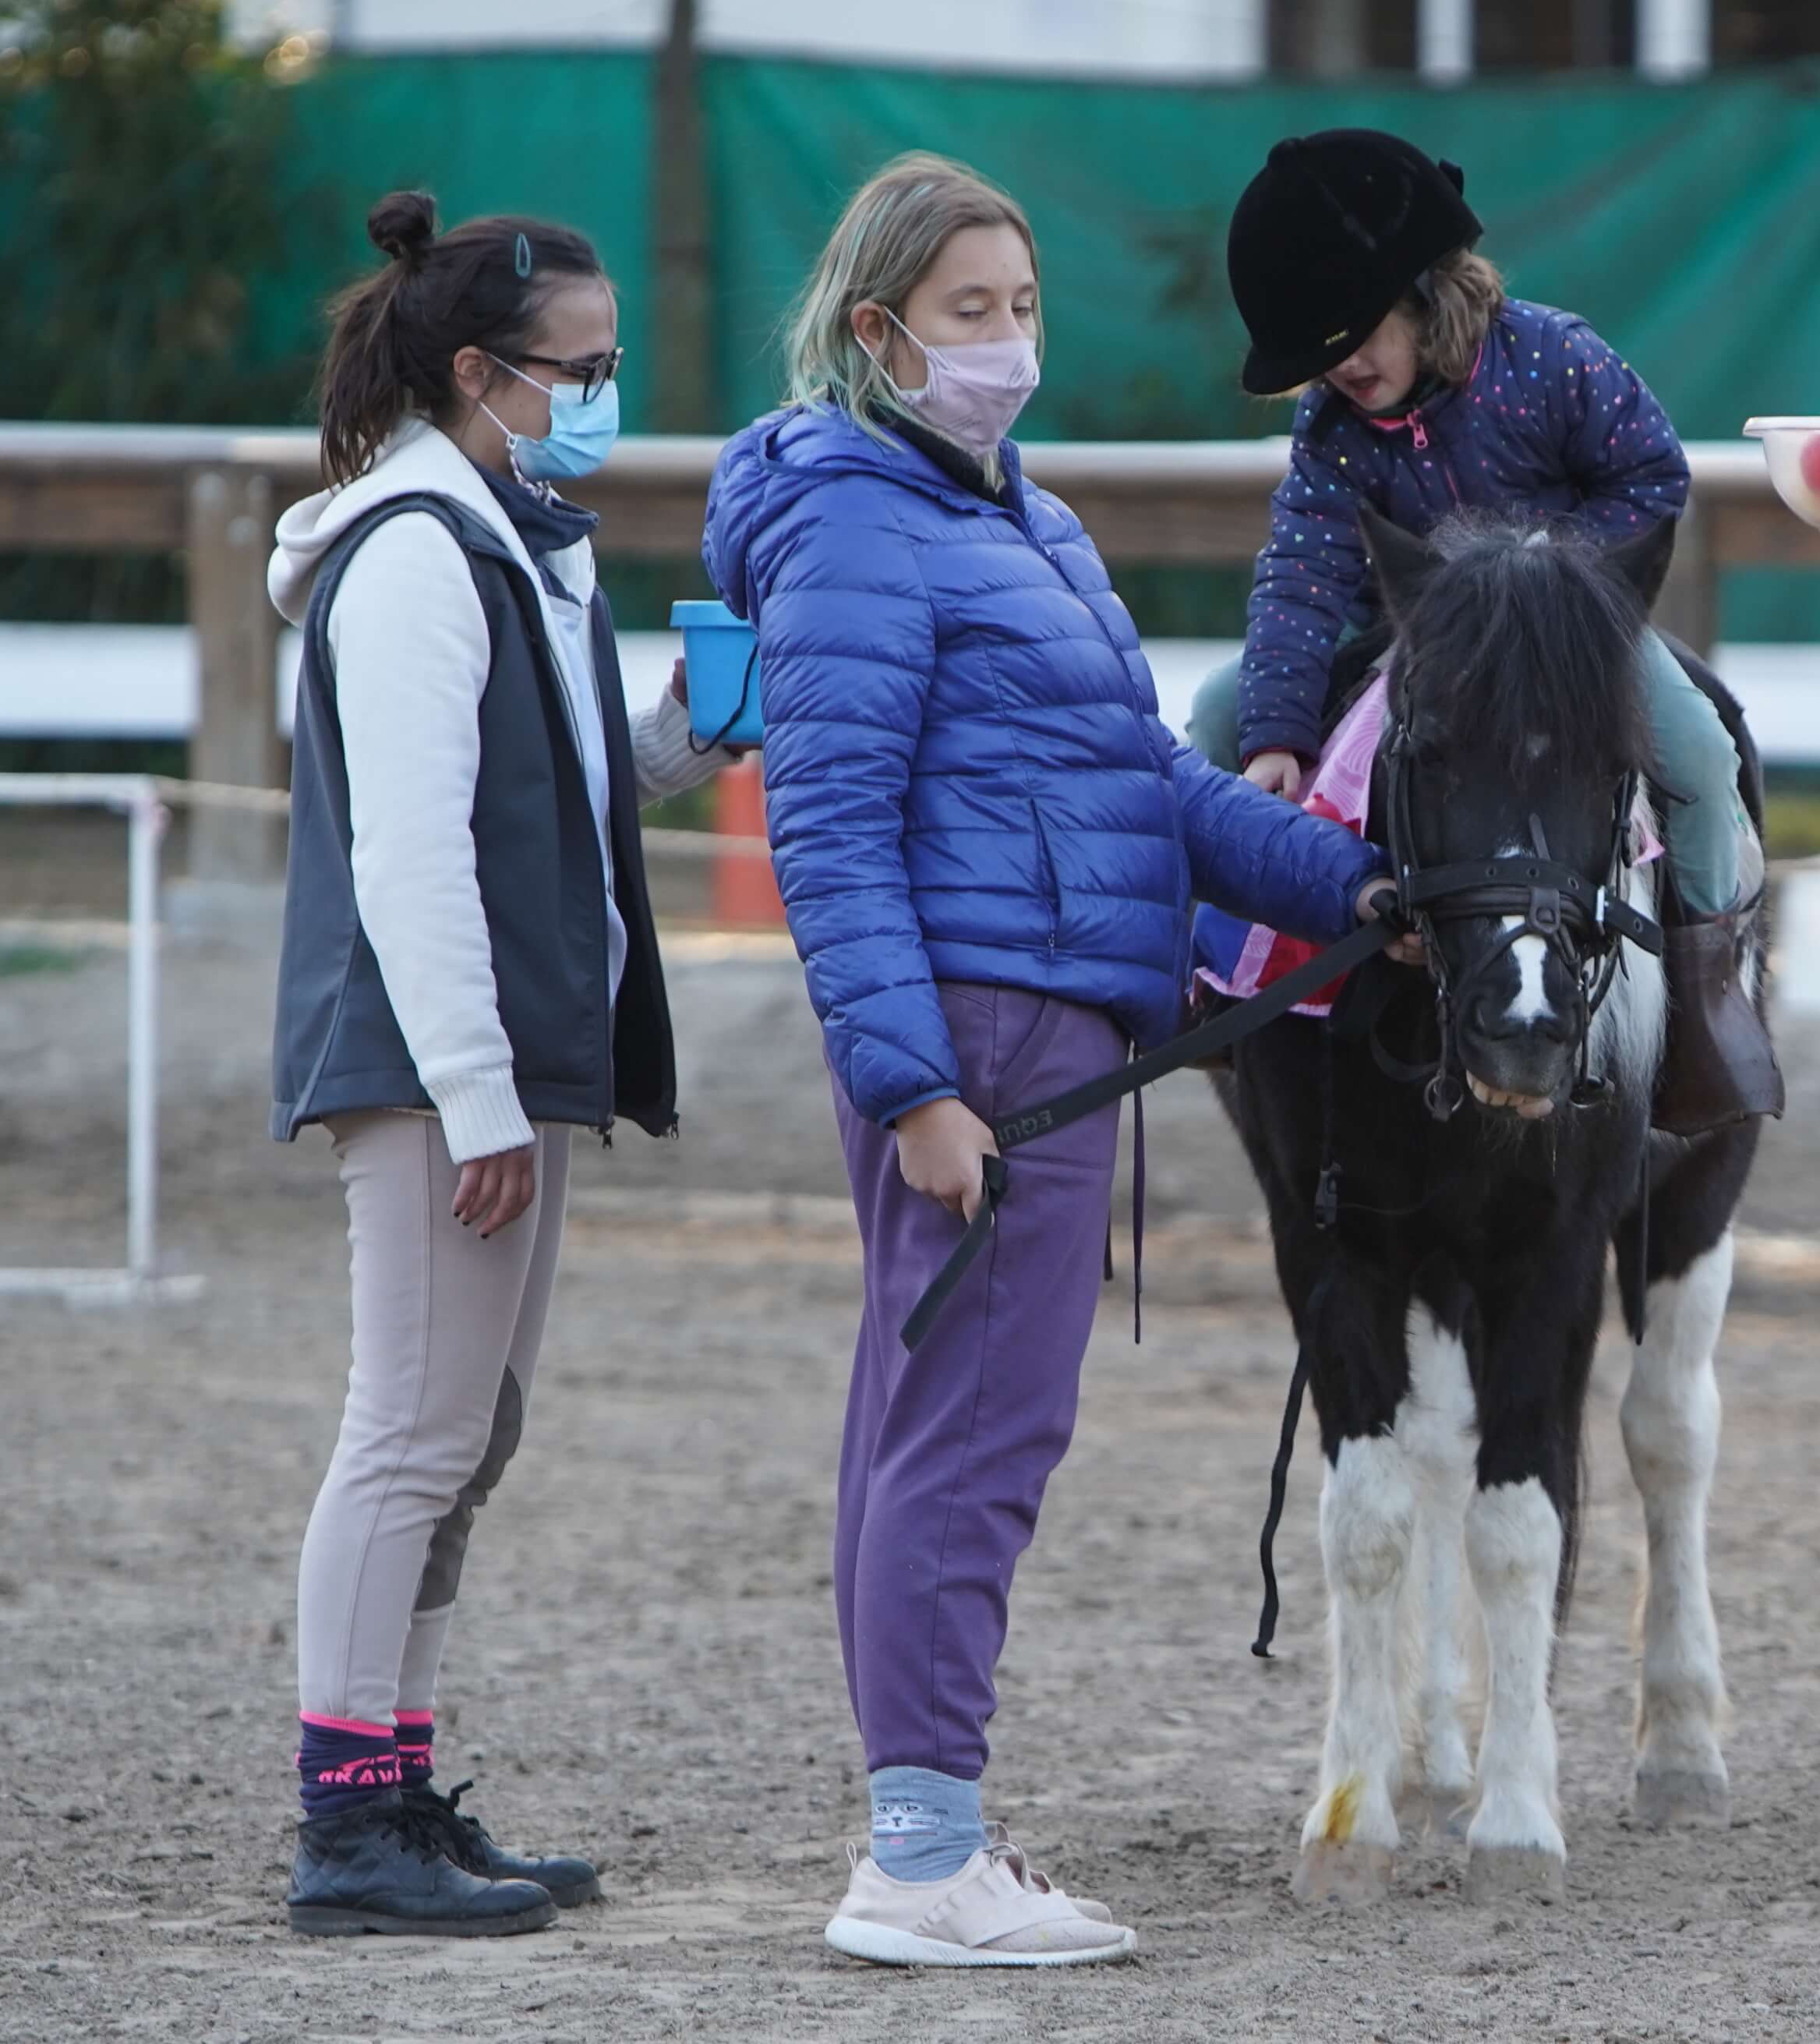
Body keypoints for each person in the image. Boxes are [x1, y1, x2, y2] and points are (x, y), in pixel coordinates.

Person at [703, 152, 1403, 1968]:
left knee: (921, 1431)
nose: (1009, 344)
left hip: (1038, 1015)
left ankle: (920, 1833)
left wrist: (1354, 878)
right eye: (968, 316)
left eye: (1021, 310)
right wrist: (915, 1087)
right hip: (993, 1041)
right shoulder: (860, 527)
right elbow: (833, 830)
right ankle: (922, 1859)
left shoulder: (1017, 512)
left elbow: (1146, 784)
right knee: (973, 1442)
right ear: (878, 332)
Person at [271, 192, 737, 1936]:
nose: (606, 393)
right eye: (585, 369)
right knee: (408, 1431)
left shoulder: (520, 537)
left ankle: (396, 1785)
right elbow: (406, 855)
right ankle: (345, 1822)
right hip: (431, 1060)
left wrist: (693, 735)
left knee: (474, 1433)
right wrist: (473, 1093)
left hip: (511, 1056)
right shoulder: (409, 554)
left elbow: (547, 785)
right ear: (479, 371)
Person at [1193, 128, 1781, 1134]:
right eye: (1320, 359)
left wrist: (1544, 585)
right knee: (1214, 712)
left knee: (1696, 744)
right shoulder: (1332, 430)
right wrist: (1276, 736)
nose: (1340, 373)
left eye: (1355, 340)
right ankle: (1227, 997)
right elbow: (1301, 574)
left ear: (1423, 293)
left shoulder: (1551, 357)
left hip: (1568, 627)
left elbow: (1653, 477)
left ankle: (1703, 1000)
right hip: (1408, 642)